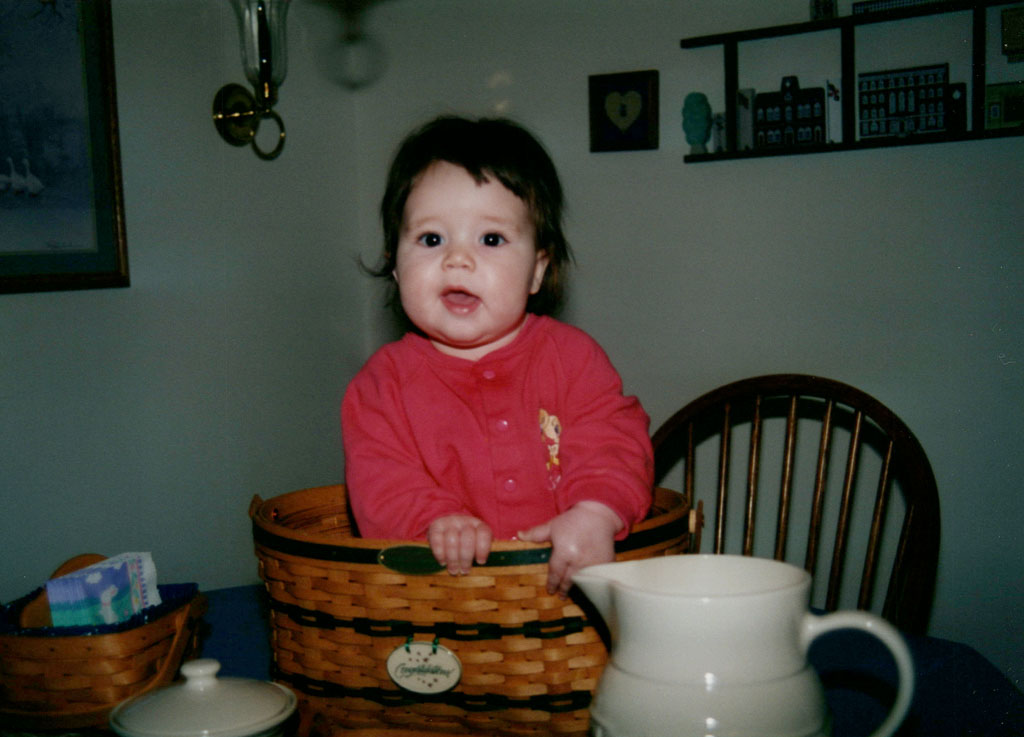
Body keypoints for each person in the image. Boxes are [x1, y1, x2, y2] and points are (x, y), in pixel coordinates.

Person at [341, 116, 653, 597]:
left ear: (537, 271)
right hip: (443, 599)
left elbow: (612, 441)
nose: (457, 260)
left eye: (491, 239)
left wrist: (595, 511)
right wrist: (434, 520)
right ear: (396, 267)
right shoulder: (381, 385)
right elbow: (380, 480)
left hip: (566, 594)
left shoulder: (574, 359)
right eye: (431, 239)